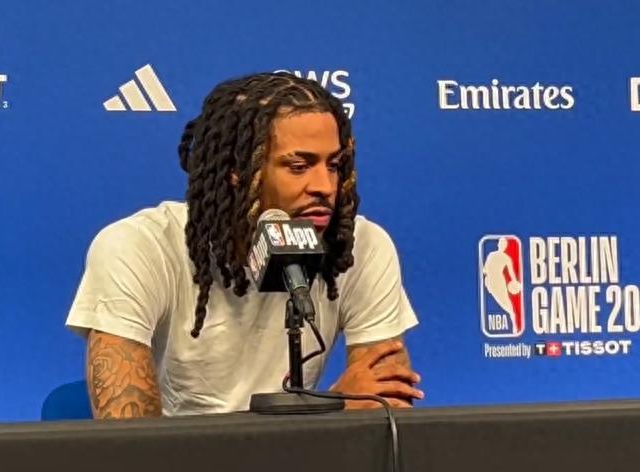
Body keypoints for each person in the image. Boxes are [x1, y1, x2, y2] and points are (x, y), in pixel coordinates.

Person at [66, 72, 422, 419]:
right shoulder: (139, 247)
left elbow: (383, 407)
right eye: (299, 166)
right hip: (178, 454)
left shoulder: (360, 245)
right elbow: (130, 436)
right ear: (237, 170)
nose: (325, 186)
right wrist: (330, 413)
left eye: (334, 165)